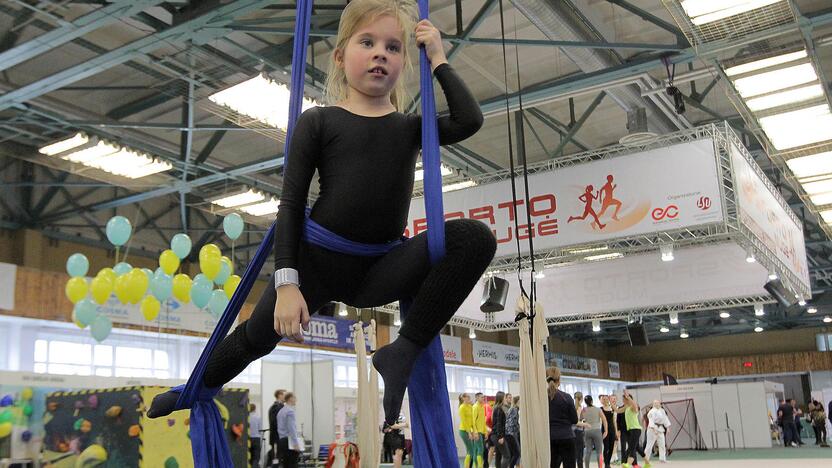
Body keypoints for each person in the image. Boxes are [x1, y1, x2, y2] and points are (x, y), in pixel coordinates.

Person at [147, 0, 493, 433]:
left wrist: (438, 58)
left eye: (393, 47)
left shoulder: (410, 128)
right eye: (367, 42)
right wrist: (287, 283)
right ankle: (195, 388)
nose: (380, 54)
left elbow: (469, 119)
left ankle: (403, 349)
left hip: (379, 269)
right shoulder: (319, 122)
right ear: (340, 55)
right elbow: (290, 206)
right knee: (255, 338)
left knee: (474, 238)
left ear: (405, 62)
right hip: (317, 262)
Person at [548, 367, 578, 468]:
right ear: (559, 380)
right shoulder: (566, 397)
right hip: (567, 437)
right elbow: (574, 420)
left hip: (550, 438)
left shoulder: (541, 398)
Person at [616, 392, 645, 468]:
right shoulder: (626, 407)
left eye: (624, 399)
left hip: (635, 429)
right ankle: (647, 462)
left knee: (631, 448)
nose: (623, 400)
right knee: (634, 447)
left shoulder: (634, 407)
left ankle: (628, 464)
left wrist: (628, 396)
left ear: (628, 399)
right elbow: (617, 411)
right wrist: (611, 402)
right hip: (629, 430)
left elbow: (634, 405)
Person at [581, 395, 607, 468]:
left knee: (588, 451)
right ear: (592, 401)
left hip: (587, 431)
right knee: (599, 452)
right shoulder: (598, 409)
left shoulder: (584, 410)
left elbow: (580, 419)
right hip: (597, 431)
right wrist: (606, 430)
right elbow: (604, 420)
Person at [277, 393, 300, 468]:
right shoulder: (290, 411)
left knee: (286, 464)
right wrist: (296, 443)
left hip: (282, 441)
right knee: (293, 464)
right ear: (290, 398)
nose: (296, 400)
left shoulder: (280, 412)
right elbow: (291, 429)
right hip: (289, 442)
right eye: (295, 398)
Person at [644, 400, 671, 465]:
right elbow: (651, 421)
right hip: (652, 430)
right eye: (655, 403)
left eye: (658, 403)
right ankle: (646, 459)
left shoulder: (662, 411)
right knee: (649, 445)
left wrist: (667, 427)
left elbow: (665, 419)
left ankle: (662, 459)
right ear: (653, 404)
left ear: (660, 404)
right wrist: (654, 429)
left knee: (662, 444)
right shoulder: (651, 411)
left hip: (660, 429)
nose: (657, 404)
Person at [490, 391, 511, 468]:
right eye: (505, 397)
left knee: (498, 456)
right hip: (497, 436)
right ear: (501, 398)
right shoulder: (499, 409)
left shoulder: (497, 408)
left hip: (495, 435)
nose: (506, 399)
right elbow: (498, 424)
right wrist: (500, 437)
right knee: (507, 456)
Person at [268, 389, 287, 465]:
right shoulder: (276, 407)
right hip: (277, 438)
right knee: (276, 459)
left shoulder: (281, 407)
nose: (286, 397)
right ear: (279, 395)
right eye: (284, 395)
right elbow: (275, 423)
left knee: (280, 459)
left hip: (280, 438)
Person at [460, 394, 478, 468]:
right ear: (463, 398)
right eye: (467, 397)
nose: (469, 398)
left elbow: (472, 421)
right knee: (471, 451)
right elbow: (464, 421)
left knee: (470, 451)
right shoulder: (462, 407)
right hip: (464, 431)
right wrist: (469, 433)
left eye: (469, 397)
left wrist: (474, 431)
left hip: (470, 431)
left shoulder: (470, 407)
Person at [473, 392, 488, 468]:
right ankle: (479, 466)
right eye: (481, 397)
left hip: (481, 431)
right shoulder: (475, 407)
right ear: (477, 398)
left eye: (483, 397)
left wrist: (485, 432)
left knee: (477, 450)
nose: (483, 398)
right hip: (477, 432)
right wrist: (475, 432)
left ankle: (476, 466)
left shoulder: (482, 407)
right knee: (480, 450)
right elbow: (473, 421)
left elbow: (483, 421)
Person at [506, 396, 521, 468]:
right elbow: (513, 423)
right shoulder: (514, 410)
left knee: (514, 453)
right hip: (512, 433)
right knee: (517, 453)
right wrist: (519, 429)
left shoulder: (512, 409)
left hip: (510, 433)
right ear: (517, 402)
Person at [614, 394, 627, 464]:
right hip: (623, 430)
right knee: (623, 446)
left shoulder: (631, 407)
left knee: (633, 447)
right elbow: (618, 421)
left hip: (631, 430)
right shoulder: (620, 408)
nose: (624, 400)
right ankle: (623, 461)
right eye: (623, 399)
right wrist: (618, 430)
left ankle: (634, 462)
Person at [249, 403, 263, 468]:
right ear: (255, 409)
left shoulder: (247, 417)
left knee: (250, 456)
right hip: (256, 438)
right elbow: (260, 429)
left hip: (248, 438)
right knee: (256, 457)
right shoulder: (258, 417)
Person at [573, 392, 585, 464]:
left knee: (573, 454)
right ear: (582, 398)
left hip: (571, 432)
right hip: (579, 432)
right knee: (580, 455)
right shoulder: (581, 408)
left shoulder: (572, 407)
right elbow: (580, 420)